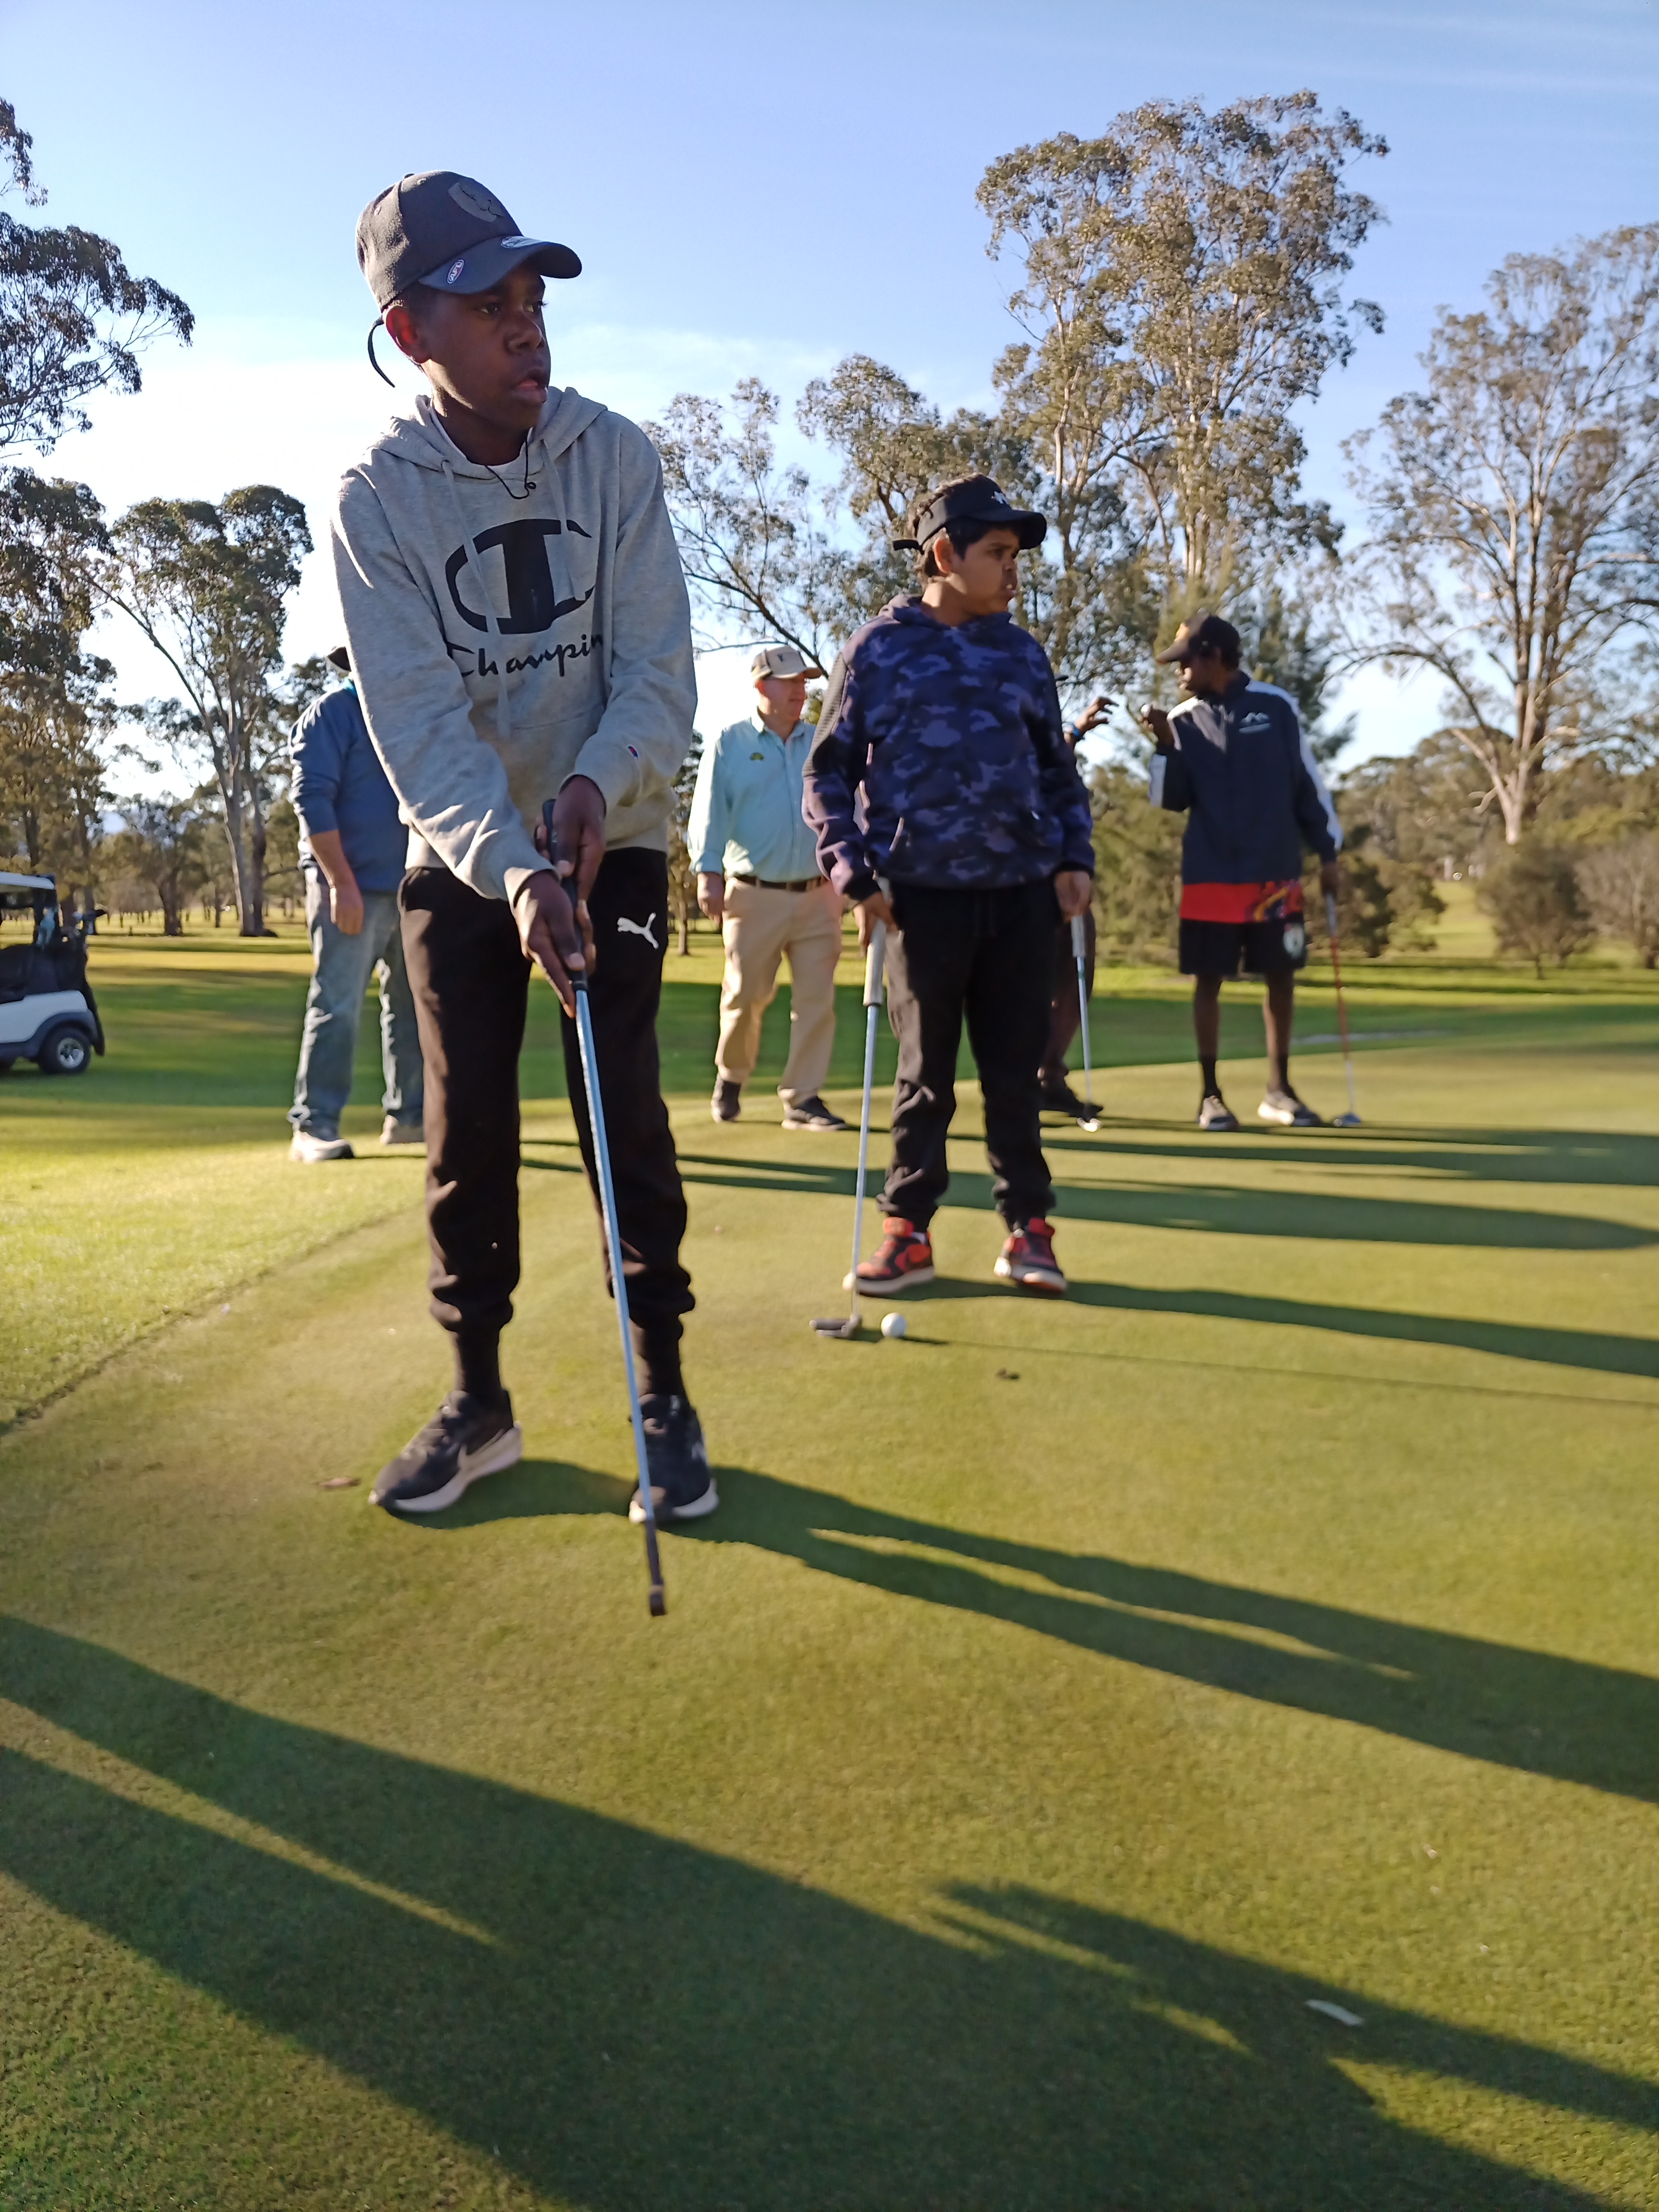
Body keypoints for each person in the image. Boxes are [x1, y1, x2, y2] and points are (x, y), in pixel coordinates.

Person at [331, 169, 715, 1523]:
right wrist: (514, 869)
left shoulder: (615, 457)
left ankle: (662, 1391)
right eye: (486, 304)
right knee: (468, 1129)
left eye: (531, 299)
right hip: (463, 852)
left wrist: (597, 791)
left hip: (617, 828)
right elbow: (420, 729)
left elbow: (660, 674)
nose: (524, 326)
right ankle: (478, 1403)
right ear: (409, 332)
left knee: (624, 1111)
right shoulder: (375, 499)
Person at [803, 476, 1095, 1298]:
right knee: (925, 1078)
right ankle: (908, 1234)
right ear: (944, 554)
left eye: (1015, 555)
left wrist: (1075, 857)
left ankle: (1030, 1231)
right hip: (918, 899)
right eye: (998, 552)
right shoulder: (876, 649)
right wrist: (853, 872)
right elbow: (826, 774)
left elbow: (1057, 768)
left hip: (1022, 894)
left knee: (1016, 1076)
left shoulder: (1022, 654)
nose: (1013, 570)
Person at [1141, 612, 1342, 1131]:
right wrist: (1165, 744)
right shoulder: (1184, 720)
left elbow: (1307, 785)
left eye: (1186, 662)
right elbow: (1168, 800)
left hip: (1273, 872)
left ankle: (1279, 1091)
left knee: (1280, 979)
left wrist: (1329, 853)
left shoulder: (1276, 707)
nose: (1179, 672)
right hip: (1209, 873)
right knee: (1208, 981)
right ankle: (1211, 1096)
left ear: (1214, 657)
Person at [689, 642, 847, 1132]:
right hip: (753, 894)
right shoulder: (729, 743)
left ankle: (803, 1098)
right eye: (791, 682)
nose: (801, 691)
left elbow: (848, 807)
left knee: (816, 1003)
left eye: (804, 682)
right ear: (762, 685)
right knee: (745, 998)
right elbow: (709, 812)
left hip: (820, 895)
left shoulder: (823, 742)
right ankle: (731, 1077)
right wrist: (708, 873)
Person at [288, 647, 424, 1163]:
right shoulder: (331, 714)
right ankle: (313, 1126)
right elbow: (312, 801)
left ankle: (410, 1117)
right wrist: (341, 883)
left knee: (411, 1009)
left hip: (407, 887)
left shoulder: (404, 715)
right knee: (338, 1007)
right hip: (347, 888)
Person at [1038, 694, 1113, 1122]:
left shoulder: (1056, 748)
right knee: (1030, 989)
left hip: (1070, 879)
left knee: (1075, 986)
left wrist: (1076, 731)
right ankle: (1024, 1080)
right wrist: (1075, 732)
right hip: (1028, 883)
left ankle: (1050, 1076)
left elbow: (1059, 763)